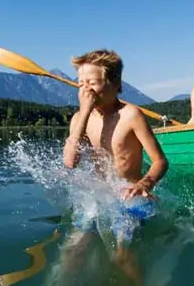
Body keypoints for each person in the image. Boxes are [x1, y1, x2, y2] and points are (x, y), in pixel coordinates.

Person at [62, 49, 169, 246]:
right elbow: (69, 162)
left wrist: (144, 184)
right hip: (100, 197)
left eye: (92, 84)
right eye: (81, 84)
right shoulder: (79, 119)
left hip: (130, 196)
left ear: (116, 83)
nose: (86, 91)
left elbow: (160, 161)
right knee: (74, 248)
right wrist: (85, 111)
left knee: (122, 250)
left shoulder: (131, 116)